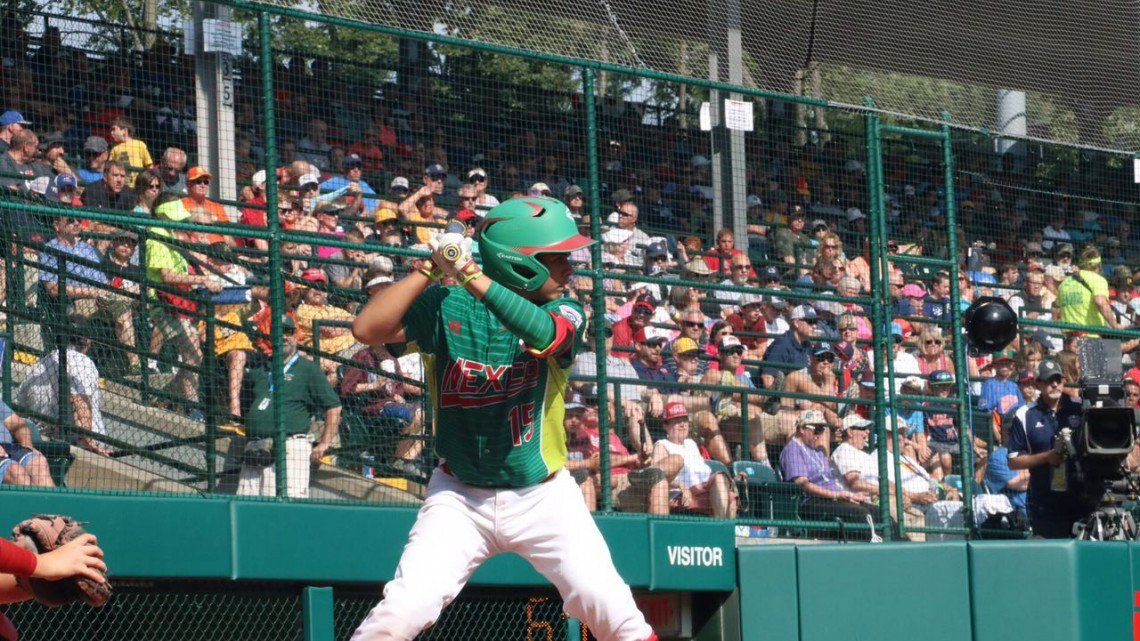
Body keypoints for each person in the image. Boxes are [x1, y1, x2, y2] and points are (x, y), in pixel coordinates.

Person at [349, 197, 657, 641]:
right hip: (459, 497)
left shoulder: (567, 309)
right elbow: (367, 330)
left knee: (612, 612)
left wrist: (471, 274)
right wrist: (432, 268)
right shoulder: (446, 305)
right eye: (556, 258)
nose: (569, 267)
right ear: (519, 263)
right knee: (401, 611)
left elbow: (545, 334)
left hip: (543, 498)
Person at [238, 315, 342, 498]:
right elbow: (247, 402)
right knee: (247, 507)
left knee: (283, 508)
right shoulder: (260, 368)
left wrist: (324, 442)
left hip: (290, 447)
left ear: (296, 336)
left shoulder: (308, 369)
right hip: (255, 447)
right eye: (279, 332)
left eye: (289, 332)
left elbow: (333, 406)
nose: (284, 336)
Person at [1008, 360, 1087, 538]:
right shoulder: (1024, 414)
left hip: (1082, 495)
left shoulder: (1081, 407)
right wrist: (1047, 457)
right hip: (1045, 499)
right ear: (1038, 384)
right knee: (1050, 555)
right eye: (1048, 380)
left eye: (1058, 379)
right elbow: (1013, 461)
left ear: (1064, 380)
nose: (1054, 384)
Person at [15, 317, 112, 457]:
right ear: (87, 342)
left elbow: (20, 413)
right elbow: (78, 401)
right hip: (79, 448)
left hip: (43, 446)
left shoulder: (39, 366)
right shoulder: (82, 361)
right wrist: (89, 442)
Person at [565, 392, 670, 515]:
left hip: (626, 477)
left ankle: (656, 532)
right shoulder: (580, 434)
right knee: (597, 482)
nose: (574, 420)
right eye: (569, 415)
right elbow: (600, 462)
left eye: (578, 416)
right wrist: (589, 463)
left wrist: (640, 460)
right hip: (586, 481)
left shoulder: (608, 436)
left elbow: (598, 461)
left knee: (662, 477)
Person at [779, 410, 876, 523]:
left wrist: (850, 495)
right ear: (801, 429)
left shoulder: (817, 452)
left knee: (877, 512)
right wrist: (837, 495)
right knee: (862, 513)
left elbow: (831, 481)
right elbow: (803, 485)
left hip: (833, 498)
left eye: (821, 430)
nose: (819, 434)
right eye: (817, 430)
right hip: (812, 501)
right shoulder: (793, 450)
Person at [651, 402, 737, 518]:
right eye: (677, 420)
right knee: (722, 485)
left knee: (730, 494)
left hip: (705, 489)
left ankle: (726, 532)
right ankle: (721, 526)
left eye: (684, 420)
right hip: (682, 495)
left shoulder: (691, 443)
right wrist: (681, 486)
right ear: (665, 425)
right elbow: (655, 477)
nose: (682, 424)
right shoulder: (662, 445)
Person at [1055, 245, 1120, 336]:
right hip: (1090, 339)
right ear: (1099, 265)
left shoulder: (1064, 283)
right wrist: (1116, 326)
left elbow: (1056, 308)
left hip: (1069, 341)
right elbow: (1100, 302)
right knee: (1125, 345)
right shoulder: (1098, 280)